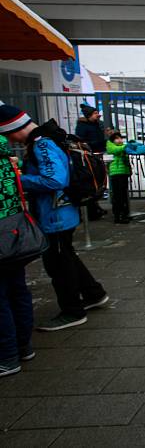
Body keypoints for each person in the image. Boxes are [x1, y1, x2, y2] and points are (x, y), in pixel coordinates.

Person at [1, 105, 108, 331]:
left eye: (8, 134)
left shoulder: (42, 144)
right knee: (66, 255)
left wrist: (20, 180)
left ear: (13, 129)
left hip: (55, 215)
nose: (10, 140)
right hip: (61, 213)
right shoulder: (47, 140)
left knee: (58, 264)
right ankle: (93, 293)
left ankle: (72, 310)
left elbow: (55, 180)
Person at [0, 132, 35, 377]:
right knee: (17, 288)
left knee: (1, 296)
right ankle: (23, 345)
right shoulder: (8, 158)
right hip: (14, 231)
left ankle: (7, 356)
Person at [75, 103, 108, 220]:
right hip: (89, 156)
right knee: (92, 182)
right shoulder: (82, 126)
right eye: (95, 113)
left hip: (98, 154)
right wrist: (91, 146)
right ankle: (92, 210)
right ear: (89, 115)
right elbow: (81, 141)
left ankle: (95, 207)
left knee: (99, 182)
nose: (97, 115)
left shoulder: (98, 124)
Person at [105, 131, 132, 224]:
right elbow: (115, 150)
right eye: (117, 138)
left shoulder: (122, 146)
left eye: (120, 138)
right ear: (112, 140)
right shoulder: (110, 145)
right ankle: (118, 216)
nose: (119, 140)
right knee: (118, 196)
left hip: (123, 172)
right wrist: (126, 146)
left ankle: (124, 214)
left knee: (123, 195)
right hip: (116, 173)